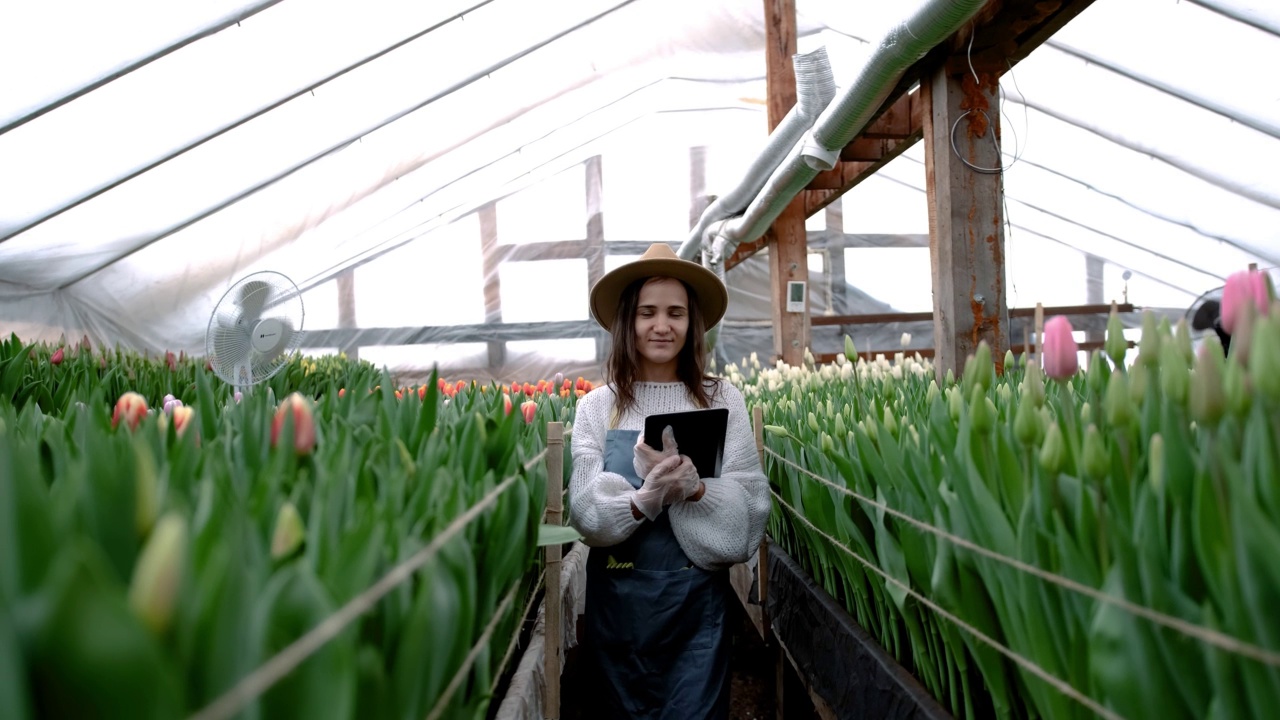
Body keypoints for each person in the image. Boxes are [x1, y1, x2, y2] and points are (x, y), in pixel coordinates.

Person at [569, 242, 770, 719]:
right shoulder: (597, 407)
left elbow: (751, 514)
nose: (662, 325)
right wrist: (644, 498)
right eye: (648, 313)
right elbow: (585, 513)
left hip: (696, 610)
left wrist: (696, 490)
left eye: (676, 313)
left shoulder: (723, 400)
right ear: (627, 321)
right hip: (619, 607)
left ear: (693, 322)